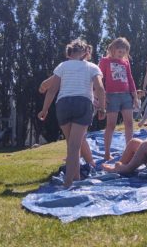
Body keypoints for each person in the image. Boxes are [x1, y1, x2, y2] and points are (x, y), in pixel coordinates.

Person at [38, 39, 106, 188]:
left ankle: (75, 177)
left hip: (63, 105)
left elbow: (52, 90)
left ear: (70, 53)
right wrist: (102, 108)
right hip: (82, 104)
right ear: (86, 53)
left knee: (71, 145)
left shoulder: (62, 66)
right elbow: (100, 88)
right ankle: (68, 183)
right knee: (75, 146)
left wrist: (44, 109)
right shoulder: (92, 67)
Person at [98, 37, 139, 161]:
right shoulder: (105, 61)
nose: (121, 54)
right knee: (111, 124)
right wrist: (102, 96)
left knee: (129, 123)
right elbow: (99, 79)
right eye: (119, 51)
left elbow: (130, 79)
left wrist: (135, 96)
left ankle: (129, 150)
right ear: (113, 49)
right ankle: (106, 153)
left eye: (124, 51)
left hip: (126, 95)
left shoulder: (125, 62)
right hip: (112, 96)